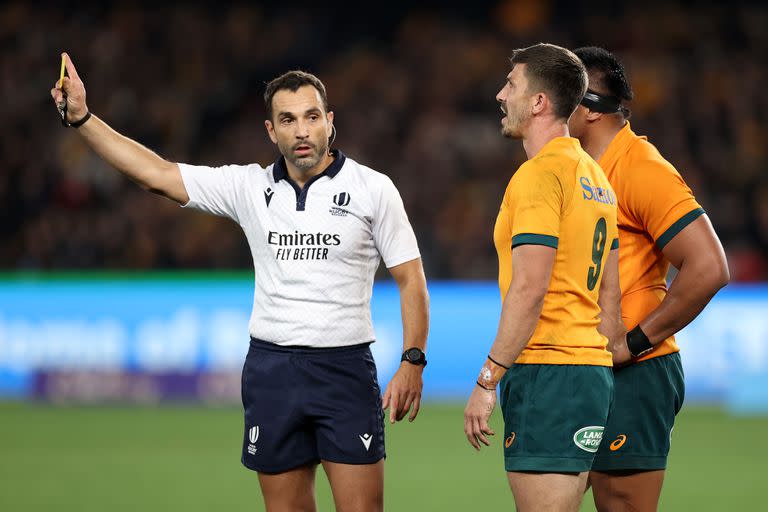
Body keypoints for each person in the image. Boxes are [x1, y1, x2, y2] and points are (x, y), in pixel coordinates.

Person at [51, 52, 429, 512]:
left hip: (344, 371)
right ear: (271, 131)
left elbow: (411, 279)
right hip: (273, 371)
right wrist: (84, 119)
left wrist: (413, 359)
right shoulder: (248, 187)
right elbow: (157, 175)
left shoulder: (374, 188)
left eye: (312, 117)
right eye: (287, 120)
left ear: (330, 122)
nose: (302, 130)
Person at [569, 46, 729, 511]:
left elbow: (709, 266)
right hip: (584, 366)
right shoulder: (580, 169)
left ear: (589, 109)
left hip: (633, 375)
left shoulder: (641, 168)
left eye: (562, 95)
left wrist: (634, 342)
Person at [464, 43, 622, 512]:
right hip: (588, 373)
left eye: (511, 84)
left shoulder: (539, 176)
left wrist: (487, 379)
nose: (499, 94)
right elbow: (609, 298)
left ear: (539, 102)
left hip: (550, 372)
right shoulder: (596, 178)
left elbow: (530, 288)